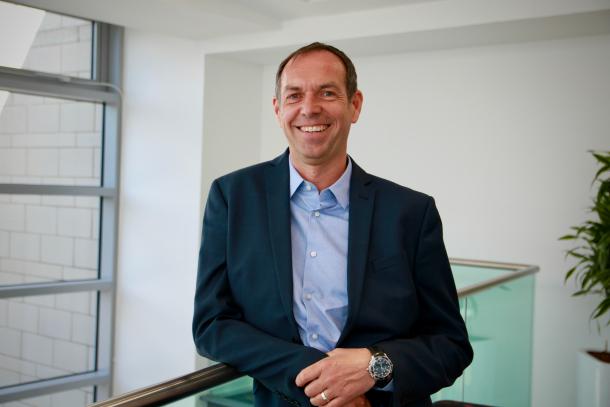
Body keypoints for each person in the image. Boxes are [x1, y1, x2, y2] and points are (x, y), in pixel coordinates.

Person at [192, 42, 473, 407]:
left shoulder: (411, 212)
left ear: (354, 105)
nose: (309, 108)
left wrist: (373, 368)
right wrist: (324, 380)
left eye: (327, 92)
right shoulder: (232, 198)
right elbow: (212, 325)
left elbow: (450, 344)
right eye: (294, 95)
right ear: (278, 110)